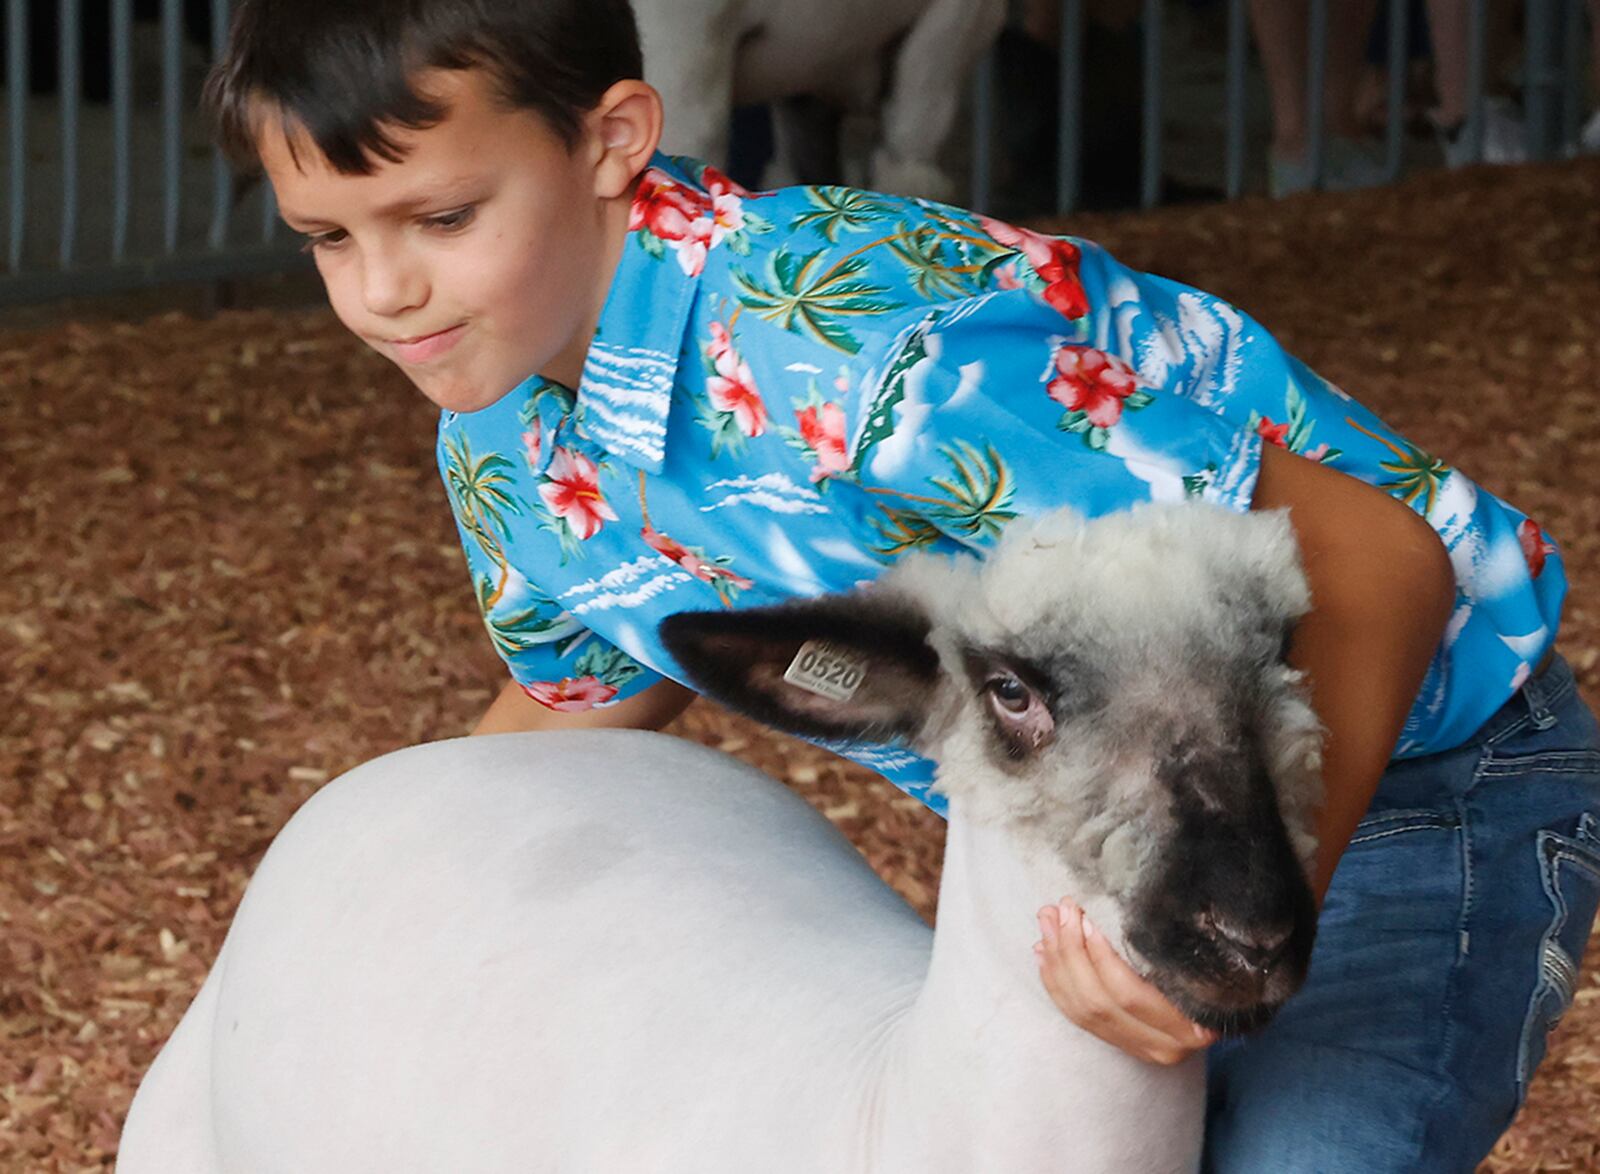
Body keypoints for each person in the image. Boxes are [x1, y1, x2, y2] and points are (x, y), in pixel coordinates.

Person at [202, 1, 1596, 1168]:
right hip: (1092, 834)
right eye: (330, 236)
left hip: (1412, 768)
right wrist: (369, 914)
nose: (382, 290)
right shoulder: (503, 436)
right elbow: (582, 700)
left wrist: (1244, 917)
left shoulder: (871, 349)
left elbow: (1375, 560)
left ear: (613, 141)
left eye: (438, 216)